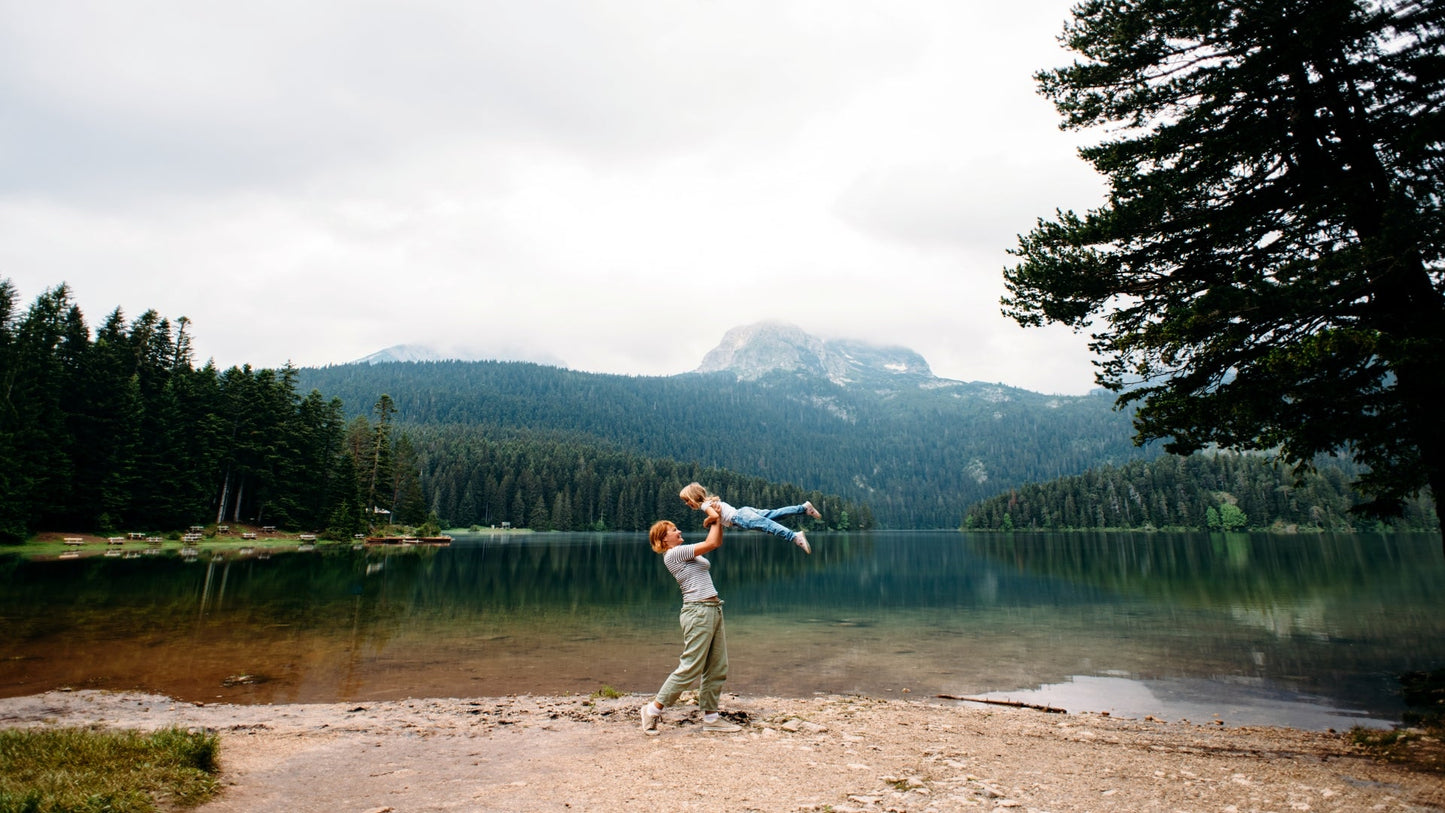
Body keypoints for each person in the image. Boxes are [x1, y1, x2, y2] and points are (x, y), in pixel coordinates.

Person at [640, 516, 743, 735]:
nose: (679, 531)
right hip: (698, 612)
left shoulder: (684, 551)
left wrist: (717, 520)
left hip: (712, 609)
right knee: (691, 666)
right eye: (673, 530)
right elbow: (712, 543)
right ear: (663, 539)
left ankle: (711, 718)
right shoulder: (674, 554)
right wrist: (714, 517)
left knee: (717, 665)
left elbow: (716, 541)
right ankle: (652, 710)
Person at [678, 482, 821, 554]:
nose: (687, 504)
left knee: (767, 525)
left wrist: (706, 521)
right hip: (743, 511)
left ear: (693, 498)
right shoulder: (710, 502)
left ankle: (794, 537)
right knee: (774, 514)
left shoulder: (704, 506)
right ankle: (803, 508)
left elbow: (714, 516)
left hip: (740, 517)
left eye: (687, 500)